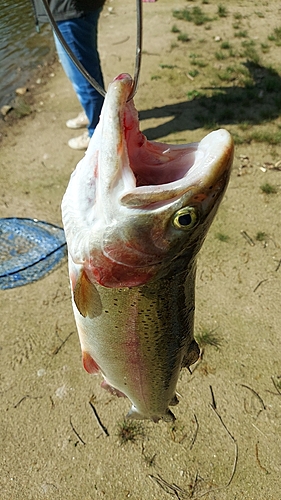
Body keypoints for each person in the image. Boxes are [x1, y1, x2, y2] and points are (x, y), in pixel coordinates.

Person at [31, 0, 105, 150]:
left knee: (84, 78)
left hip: (69, 10)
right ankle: (94, 115)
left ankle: (98, 135)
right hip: (70, 8)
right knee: (84, 70)